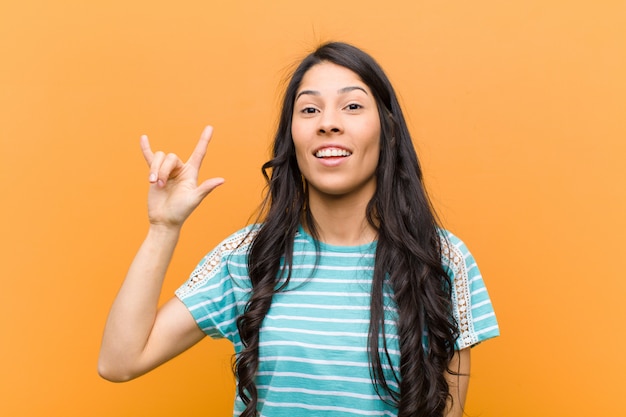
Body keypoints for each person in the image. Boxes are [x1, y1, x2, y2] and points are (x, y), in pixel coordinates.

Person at [98, 42, 499, 417]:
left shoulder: (441, 259)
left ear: (388, 130)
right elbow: (119, 362)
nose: (328, 124)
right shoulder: (248, 256)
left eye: (352, 106)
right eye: (309, 110)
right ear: (292, 137)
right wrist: (163, 227)